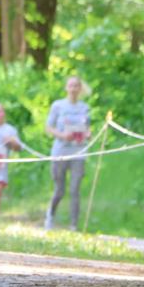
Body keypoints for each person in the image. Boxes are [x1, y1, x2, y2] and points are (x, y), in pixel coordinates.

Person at [44, 75, 91, 231]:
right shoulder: (58, 106)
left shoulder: (84, 107)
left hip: (79, 152)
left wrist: (88, 134)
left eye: (76, 85)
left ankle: (73, 225)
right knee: (60, 189)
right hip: (60, 152)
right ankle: (50, 216)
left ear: (80, 89)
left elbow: (87, 127)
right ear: (66, 88)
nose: (73, 88)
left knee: (75, 189)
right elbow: (48, 127)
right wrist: (62, 135)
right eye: (70, 85)